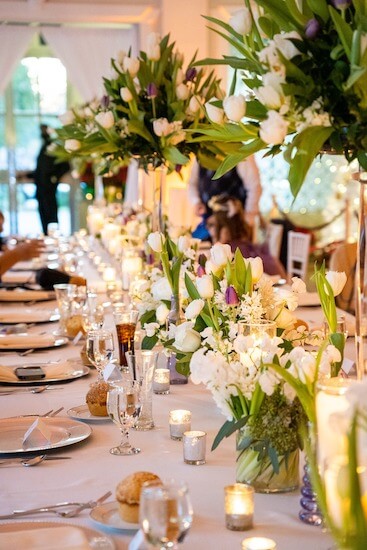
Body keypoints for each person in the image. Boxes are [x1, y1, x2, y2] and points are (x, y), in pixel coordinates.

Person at [206, 194, 287, 277]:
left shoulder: (224, 230)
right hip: (247, 249)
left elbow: (218, 246)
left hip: (236, 253)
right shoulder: (239, 227)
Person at [188, 157, 262, 240]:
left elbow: (255, 188)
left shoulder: (241, 152)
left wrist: (247, 219)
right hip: (209, 227)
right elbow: (192, 183)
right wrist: (196, 202)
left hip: (234, 230)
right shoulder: (201, 153)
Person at [24, 125, 70, 234]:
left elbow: (65, 166)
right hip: (41, 188)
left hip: (49, 189)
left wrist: (54, 178)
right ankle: (46, 237)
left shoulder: (54, 147)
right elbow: (40, 170)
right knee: (43, 215)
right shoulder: (43, 148)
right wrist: (29, 176)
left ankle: (53, 238)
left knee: (51, 215)